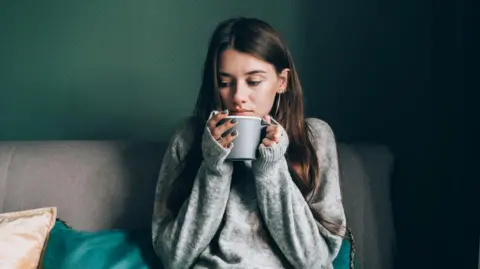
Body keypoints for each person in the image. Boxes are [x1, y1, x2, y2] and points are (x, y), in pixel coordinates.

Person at [152, 17, 347, 269]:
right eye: (225, 83)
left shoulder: (315, 137)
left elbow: (316, 261)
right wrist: (214, 167)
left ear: (282, 82)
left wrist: (271, 168)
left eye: (253, 81)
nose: (237, 97)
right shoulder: (188, 136)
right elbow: (174, 258)